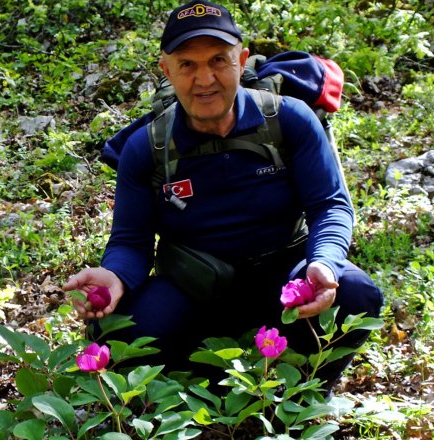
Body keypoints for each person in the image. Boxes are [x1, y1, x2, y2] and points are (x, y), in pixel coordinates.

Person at [62, 0, 383, 387]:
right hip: (195, 287)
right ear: (166, 71)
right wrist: (115, 276)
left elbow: (329, 204)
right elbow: (132, 240)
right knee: (116, 333)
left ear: (241, 61)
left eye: (218, 60)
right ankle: (201, 387)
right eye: (188, 64)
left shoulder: (290, 121)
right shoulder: (146, 148)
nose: (205, 78)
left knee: (355, 292)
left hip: (285, 280)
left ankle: (306, 390)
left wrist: (325, 263)